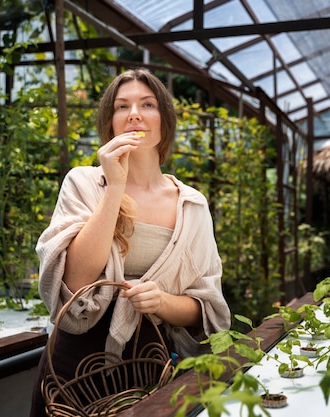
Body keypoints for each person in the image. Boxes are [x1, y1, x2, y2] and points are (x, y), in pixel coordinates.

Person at [29, 68, 231, 417]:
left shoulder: (192, 205)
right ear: (110, 122)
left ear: (164, 121)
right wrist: (115, 185)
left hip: (149, 366)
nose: (134, 114)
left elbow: (206, 309)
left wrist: (163, 301)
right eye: (122, 107)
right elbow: (74, 282)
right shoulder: (83, 183)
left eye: (147, 104)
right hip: (73, 369)